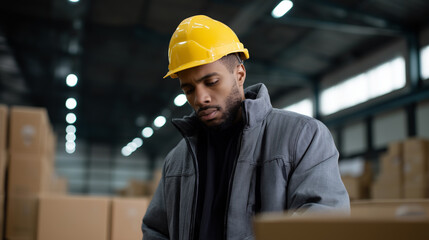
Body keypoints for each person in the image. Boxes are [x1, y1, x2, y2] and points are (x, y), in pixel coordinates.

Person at [141, 15, 350, 240]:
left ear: (239, 74)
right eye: (189, 89)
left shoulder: (303, 137)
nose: (201, 98)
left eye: (211, 82)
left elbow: (323, 223)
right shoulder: (177, 160)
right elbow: (156, 232)